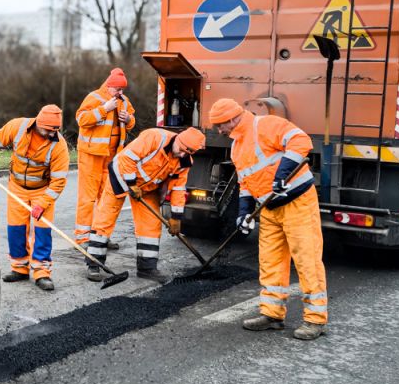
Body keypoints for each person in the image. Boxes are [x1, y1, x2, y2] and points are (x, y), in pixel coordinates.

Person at [209, 98, 327, 340]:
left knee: (307, 260)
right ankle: (272, 315)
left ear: (232, 119)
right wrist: (243, 213)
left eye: (220, 125)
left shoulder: (266, 125)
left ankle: (315, 320)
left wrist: (283, 173)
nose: (219, 131)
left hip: (298, 203)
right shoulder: (236, 146)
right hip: (269, 208)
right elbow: (245, 182)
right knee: (270, 261)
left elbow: (301, 141)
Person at [86, 127, 205, 284]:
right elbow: (127, 158)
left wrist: (176, 218)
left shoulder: (184, 162)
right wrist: (132, 184)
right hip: (121, 176)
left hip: (148, 188)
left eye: (188, 152)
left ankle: (147, 268)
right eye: (182, 150)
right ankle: (94, 264)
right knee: (105, 218)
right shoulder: (154, 137)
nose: (182, 154)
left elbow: (178, 189)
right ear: (177, 140)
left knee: (150, 225)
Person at [0, 105, 70, 292]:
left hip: (42, 191)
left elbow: (59, 181)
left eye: (55, 131)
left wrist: (43, 203)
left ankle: (42, 273)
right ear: (38, 123)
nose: (52, 134)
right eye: (48, 130)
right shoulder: (17, 127)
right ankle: (19, 268)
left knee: (43, 232)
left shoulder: (59, 146)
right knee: (16, 229)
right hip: (17, 187)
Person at [74, 68, 136, 250]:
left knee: (105, 198)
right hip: (91, 155)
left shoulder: (124, 101)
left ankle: (100, 236)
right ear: (109, 86)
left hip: (111, 156)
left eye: (122, 90)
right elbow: (81, 119)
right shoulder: (94, 98)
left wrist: (129, 119)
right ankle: (83, 238)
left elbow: (132, 122)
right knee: (87, 198)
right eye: (118, 89)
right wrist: (103, 110)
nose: (121, 93)